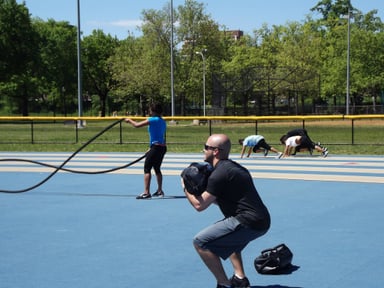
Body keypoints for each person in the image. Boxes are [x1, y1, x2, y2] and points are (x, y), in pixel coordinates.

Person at [182, 134, 270, 288]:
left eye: (206, 146)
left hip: (249, 221)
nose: (203, 149)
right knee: (228, 241)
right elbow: (220, 198)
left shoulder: (219, 174)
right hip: (260, 219)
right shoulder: (230, 168)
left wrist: (185, 187)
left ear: (215, 151)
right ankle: (240, 279)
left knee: (200, 242)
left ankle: (224, 284)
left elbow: (199, 206)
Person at [125, 103, 167, 199]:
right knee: (157, 168)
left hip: (156, 147)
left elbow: (136, 125)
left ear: (153, 111)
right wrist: (150, 147)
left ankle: (146, 192)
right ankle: (160, 190)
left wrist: (129, 120)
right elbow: (158, 135)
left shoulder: (152, 119)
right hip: (162, 147)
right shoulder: (162, 121)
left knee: (147, 168)